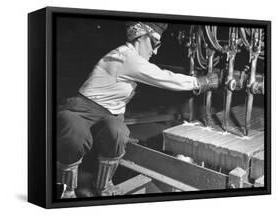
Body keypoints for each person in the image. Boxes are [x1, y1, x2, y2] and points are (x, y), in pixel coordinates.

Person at [57, 21, 219, 198]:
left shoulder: (134, 59)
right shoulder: (127, 56)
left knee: (118, 133)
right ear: (140, 36)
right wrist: (200, 82)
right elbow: (164, 78)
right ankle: (67, 190)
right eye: (154, 43)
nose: (155, 51)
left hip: (111, 113)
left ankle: (103, 185)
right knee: (75, 133)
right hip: (82, 109)